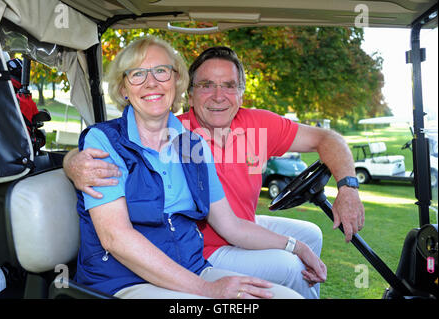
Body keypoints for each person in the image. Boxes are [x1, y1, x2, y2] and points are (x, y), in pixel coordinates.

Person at [65, 46, 363, 298]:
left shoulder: (190, 144)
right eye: (138, 74)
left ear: (176, 82)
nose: (152, 83)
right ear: (122, 88)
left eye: (162, 72)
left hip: (190, 265)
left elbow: (231, 225)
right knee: (287, 269)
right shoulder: (105, 140)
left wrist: (297, 244)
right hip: (127, 277)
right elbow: (117, 239)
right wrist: (71, 162)